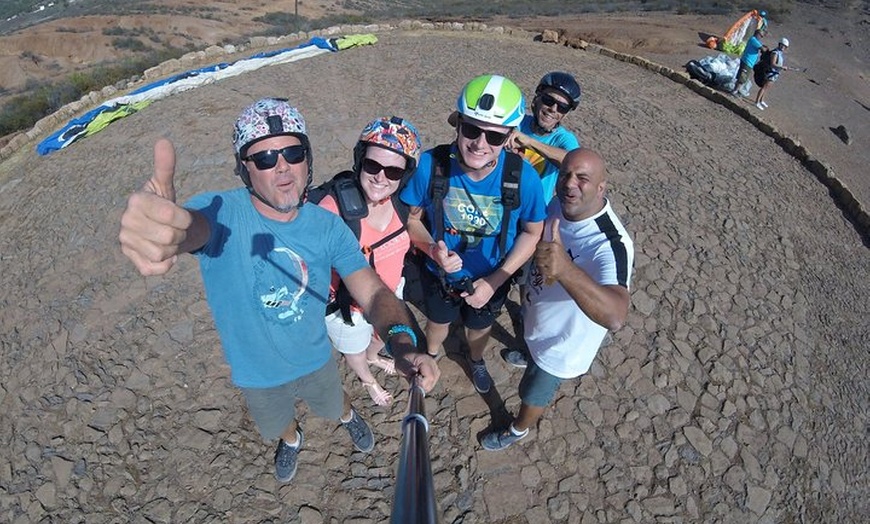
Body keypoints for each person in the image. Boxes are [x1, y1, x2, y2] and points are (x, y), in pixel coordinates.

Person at [118, 98, 439, 483]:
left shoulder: (328, 227)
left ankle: (348, 417)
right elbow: (194, 227)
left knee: (334, 401)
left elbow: (373, 293)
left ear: (308, 158)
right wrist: (170, 232)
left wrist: (403, 344)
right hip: (257, 374)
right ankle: (291, 439)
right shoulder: (222, 212)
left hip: (315, 359)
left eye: (292, 152)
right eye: (265, 158)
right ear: (243, 169)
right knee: (277, 424)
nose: (282, 166)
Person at [401, 74, 546, 394]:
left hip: (491, 279)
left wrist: (494, 281)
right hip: (438, 274)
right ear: (459, 124)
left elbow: (533, 232)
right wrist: (431, 250)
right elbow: (410, 220)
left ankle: (476, 359)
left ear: (510, 136)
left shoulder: (522, 177)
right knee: (437, 321)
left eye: (494, 137)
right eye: (471, 129)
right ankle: (431, 354)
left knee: (478, 328)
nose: (480, 144)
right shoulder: (431, 165)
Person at [482, 148, 634, 450]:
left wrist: (565, 268)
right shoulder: (559, 203)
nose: (569, 184)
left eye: (582, 179)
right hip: (537, 316)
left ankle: (518, 428)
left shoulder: (610, 243)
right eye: (565, 175)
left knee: (531, 392)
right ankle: (526, 350)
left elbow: (616, 314)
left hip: (559, 345)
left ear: (601, 188)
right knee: (526, 336)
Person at [318, 116, 422, 406]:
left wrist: (434, 249)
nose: (381, 177)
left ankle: (375, 357)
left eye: (393, 171)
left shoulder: (402, 200)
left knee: (379, 337)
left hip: (390, 293)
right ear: (360, 160)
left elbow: (411, 227)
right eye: (373, 165)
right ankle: (368, 379)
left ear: (405, 175)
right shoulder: (332, 209)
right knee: (354, 351)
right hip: (345, 308)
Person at [507, 71, 581, 202]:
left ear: (566, 114)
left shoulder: (563, 139)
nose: (553, 109)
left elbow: (575, 163)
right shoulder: (518, 121)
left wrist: (529, 142)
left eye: (562, 108)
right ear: (537, 99)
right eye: (548, 100)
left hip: (534, 213)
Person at [755, 37, 793, 110]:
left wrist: (781, 68)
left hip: (775, 73)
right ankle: (757, 102)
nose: (783, 47)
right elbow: (773, 64)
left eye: (784, 46)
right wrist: (782, 67)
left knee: (767, 88)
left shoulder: (779, 53)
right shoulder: (775, 53)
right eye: (782, 45)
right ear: (779, 45)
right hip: (770, 73)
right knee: (764, 87)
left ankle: (762, 100)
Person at [730, 29, 766, 98]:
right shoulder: (754, 40)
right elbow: (762, 49)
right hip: (747, 61)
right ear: (758, 34)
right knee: (742, 77)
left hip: (748, 62)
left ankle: (735, 90)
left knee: (743, 77)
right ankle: (735, 91)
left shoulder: (754, 40)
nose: (761, 38)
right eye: (761, 36)